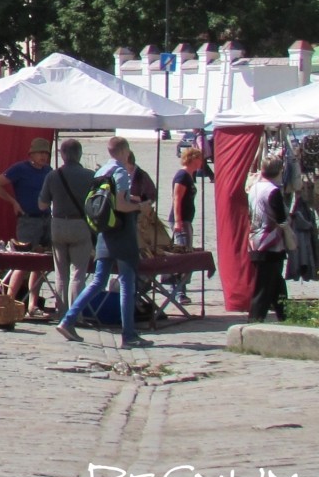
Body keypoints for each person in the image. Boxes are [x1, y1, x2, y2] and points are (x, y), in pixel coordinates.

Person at [56, 136, 155, 348]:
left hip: (104, 233)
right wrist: (140, 207)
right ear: (124, 151)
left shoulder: (101, 172)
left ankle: (68, 319)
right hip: (122, 233)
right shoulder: (120, 171)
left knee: (98, 281)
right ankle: (128, 335)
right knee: (127, 283)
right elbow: (120, 205)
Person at [0, 137, 53, 309]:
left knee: (40, 263)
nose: (43, 156)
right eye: (40, 153)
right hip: (28, 220)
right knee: (22, 262)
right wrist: (13, 202)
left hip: (46, 219)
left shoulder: (48, 171)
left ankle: (33, 303)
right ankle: (9, 300)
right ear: (31, 154)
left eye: (46, 153)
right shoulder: (20, 168)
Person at [40, 138, 95, 318]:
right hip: (80, 224)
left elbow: (42, 204)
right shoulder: (89, 175)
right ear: (79, 154)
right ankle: (75, 314)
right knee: (78, 274)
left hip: (58, 225)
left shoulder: (53, 175)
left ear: (62, 155)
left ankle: (62, 312)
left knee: (60, 274)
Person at [248, 157, 290, 323]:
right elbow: (280, 217)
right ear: (279, 171)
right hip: (270, 242)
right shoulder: (272, 191)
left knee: (276, 281)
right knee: (265, 284)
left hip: (255, 239)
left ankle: (284, 313)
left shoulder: (254, 187)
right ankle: (255, 318)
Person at [165, 147, 204, 306]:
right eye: (200, 158)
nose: (202, 161)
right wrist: (178, 221)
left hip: (187, 219)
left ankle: (180, 289)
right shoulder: (182, 175)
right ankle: (179, 291)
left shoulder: (190, 175)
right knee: (183, 256)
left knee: (186, 254)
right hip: (181, 221)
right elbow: (176, 199)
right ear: (193, 159)